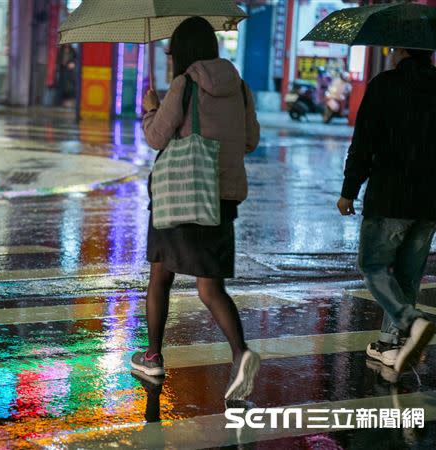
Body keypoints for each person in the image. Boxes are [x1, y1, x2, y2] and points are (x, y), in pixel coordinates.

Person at [131, 17, 261, 402]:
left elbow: (156, 138)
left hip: (183, 194)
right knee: (209, 284)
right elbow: (250, 140)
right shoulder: (239, 86)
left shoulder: (184, 84)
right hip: (222, 197)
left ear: (182, 53)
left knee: (160, 276)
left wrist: (151, 109)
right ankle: (240, 353)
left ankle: (154, 356)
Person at [338, 47, 436, 374]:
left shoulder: (385, 85)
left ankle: (411, 323)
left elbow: (363, 142)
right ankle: (391, 344)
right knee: (407, 276)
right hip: (429, 200)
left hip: (391, 195)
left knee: (373, 265)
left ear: (400, 50)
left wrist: (349, 191)